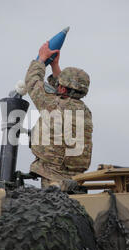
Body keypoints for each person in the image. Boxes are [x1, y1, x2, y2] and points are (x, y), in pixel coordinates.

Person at [25, 42, 93, 189]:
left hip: (52, 176)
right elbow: (63, 90)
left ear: (62, 88)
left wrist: (41, 60)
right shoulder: (85, 111)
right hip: (76, 178)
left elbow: (32, 82)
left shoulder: (52, 105)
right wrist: (55, 66)